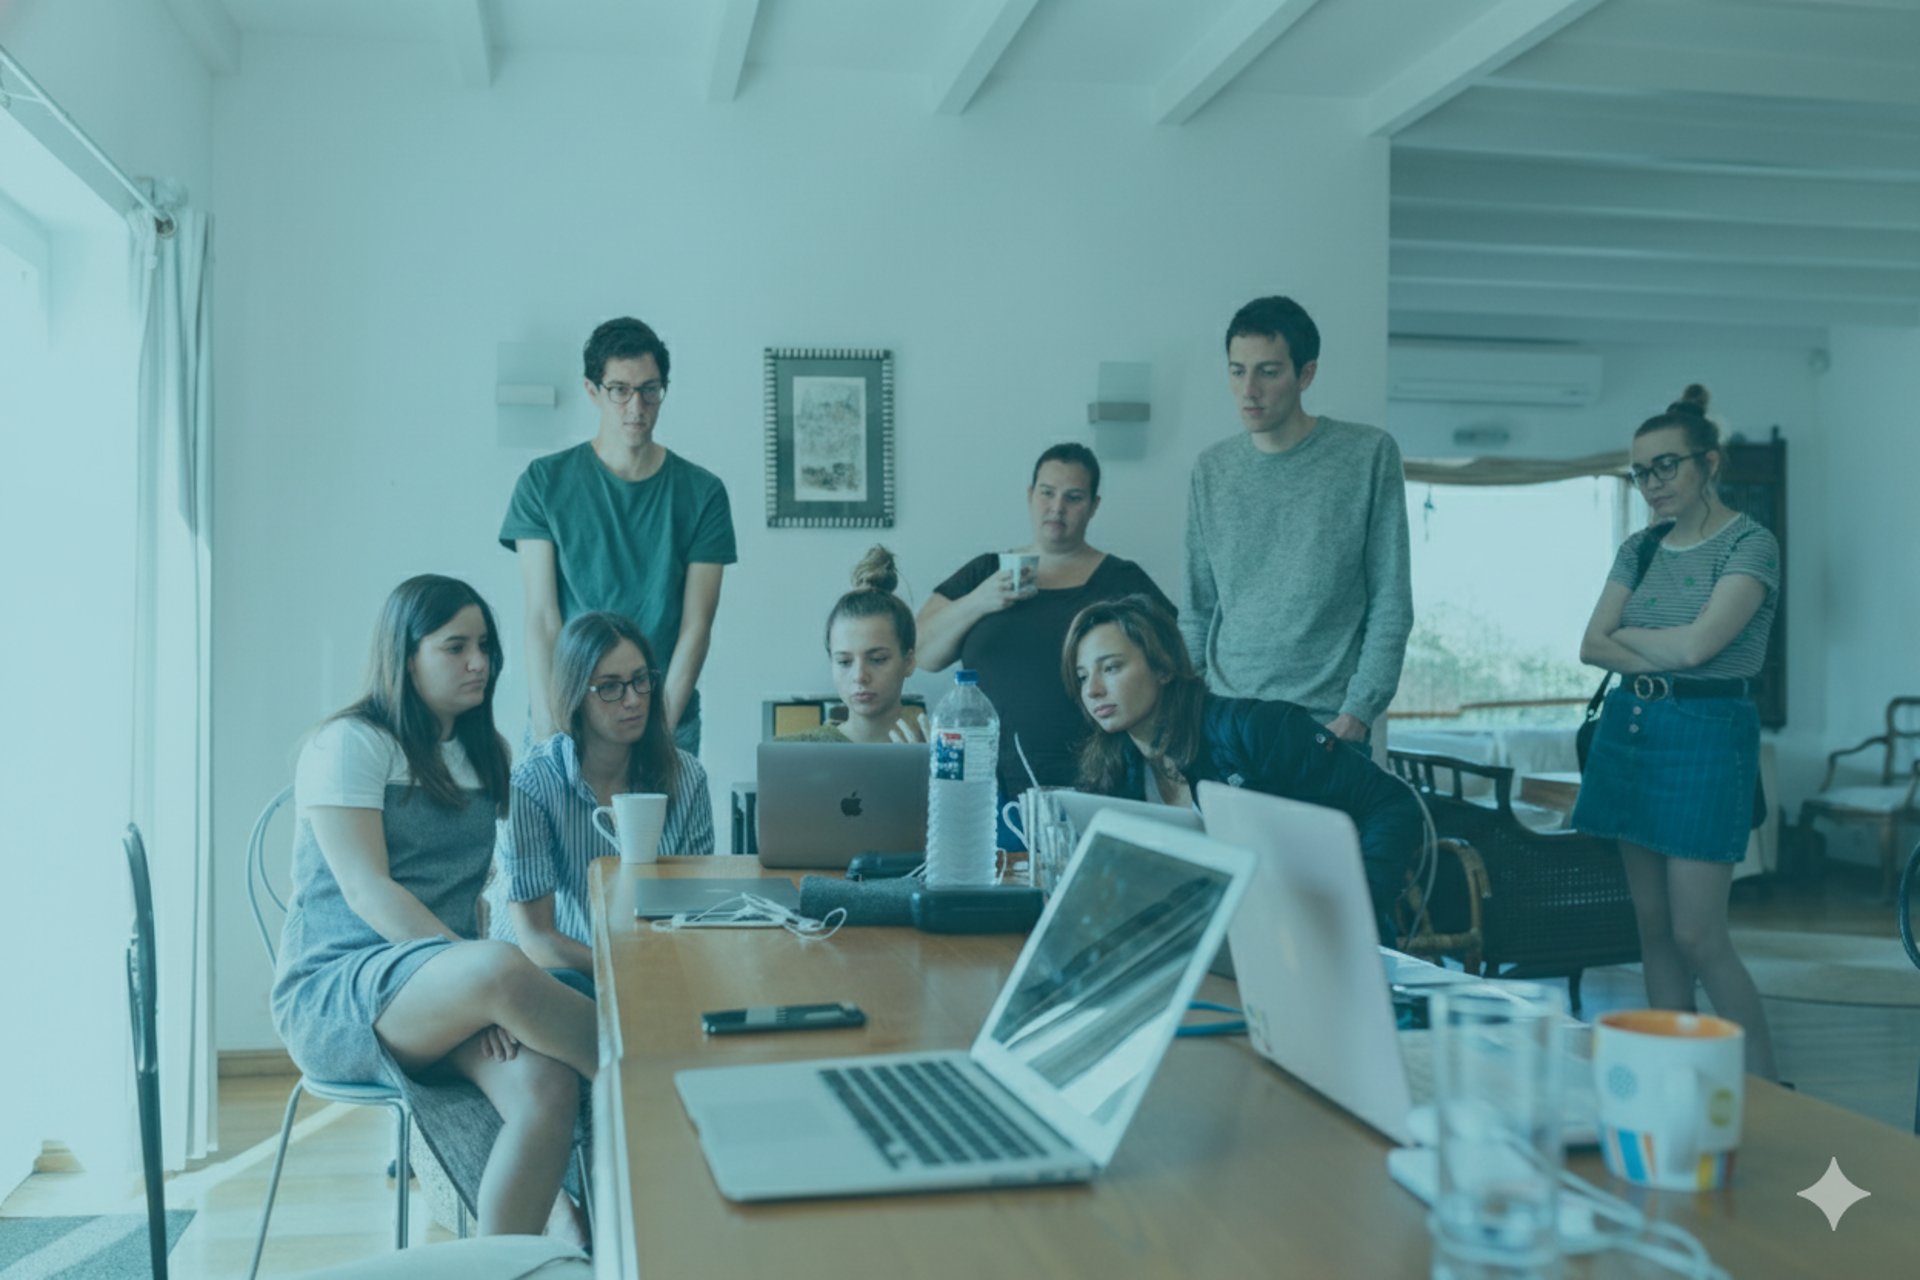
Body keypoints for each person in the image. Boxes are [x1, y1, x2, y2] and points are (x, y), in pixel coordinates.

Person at [270, 575, 595, 1239]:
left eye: (484, 646)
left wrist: (473, 986)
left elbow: (468, 895)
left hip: (442, 989)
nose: (480, 662)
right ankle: (668, 1080)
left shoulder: (486, 754)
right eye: (455, 647)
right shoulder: (350, 744)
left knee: (546, 1087)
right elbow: (368, 891)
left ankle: (506, 1258)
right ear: (406, 655)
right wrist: (477, 980)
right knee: (504, 969)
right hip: (340, 992)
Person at [1573, 385, 1779, 1079]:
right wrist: (1650, 642)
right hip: (1633, 728)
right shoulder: (1640, 546)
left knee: (1698, 932)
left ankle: (1763, 1086)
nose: (1652, 484)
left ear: (1708, 463)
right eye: (1640, 472)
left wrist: (1630, 634)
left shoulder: (1752, 543)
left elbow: (1699, 651)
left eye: (1667, 466)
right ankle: (1673, 1075)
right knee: (1653, 929)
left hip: (1707, 734)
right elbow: (1589, 646)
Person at [1064, 594, 1422, 940]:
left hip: (1314, 939)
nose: (1093, 690)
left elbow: (1393, 803)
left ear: (1162, 667)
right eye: (1082, 676)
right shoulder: (1115, 770)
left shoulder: (1256, 729)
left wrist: (1354, 911)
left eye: (1111, 668)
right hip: (1218, 942)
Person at [1183, 296, 1412, 749]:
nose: (1249, 390)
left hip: (1326, 725)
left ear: (1305, 374)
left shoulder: (1367, 455)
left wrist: (1357, 714)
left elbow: (1391, 603)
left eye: (1268, 372)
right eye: (1236, 371)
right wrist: (1191, 708)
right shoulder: (1211, 469)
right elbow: (1197, 609)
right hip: (1227, 718)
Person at [501, 316, 737, 754]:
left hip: (665, 715)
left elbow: (696, 627)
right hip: (570, 715)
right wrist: (549, 731)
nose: (636, 406)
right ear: (593, 391)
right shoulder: (543, 483)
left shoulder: (703, 493)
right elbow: (542, 618)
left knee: (667, 826)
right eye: (620, 390)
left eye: (650, 390)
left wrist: (659, 735)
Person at [918, 443, 1175, 834]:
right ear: (1029, 495)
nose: (1057, 508)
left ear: (1093, 506)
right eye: (1047, 493)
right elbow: (921, 652)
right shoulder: (987, 571)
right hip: (989, 785)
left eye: (1073, 497)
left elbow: (1171, 662)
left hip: (1102, 782)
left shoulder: (1122, 579)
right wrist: (980, 600)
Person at [492, 612, 715, 981]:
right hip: (554, 971)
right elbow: (538, 940)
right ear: (576, 694)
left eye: (641, 680)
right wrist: (624, 970)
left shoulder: (687, 776)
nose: (632, 700)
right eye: (610, 687)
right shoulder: (530, 785)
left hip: (651, 965)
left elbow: (694, 909)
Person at [782, 546, 930, 744]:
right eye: (844, 662)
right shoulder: (795, 751)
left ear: (909, 662)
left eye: (878, 660)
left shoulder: (940, 751)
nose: (860, 676)